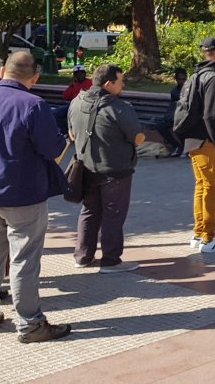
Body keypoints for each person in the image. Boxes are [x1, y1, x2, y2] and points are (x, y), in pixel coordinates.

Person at [0, 52, 70, 342]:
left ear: (1, 70)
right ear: (34, 77)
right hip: (24, 194)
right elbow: (52, 148)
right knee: (24, 259)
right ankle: (31, 324)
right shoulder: (34, 105)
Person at [68, 64, 145, 273]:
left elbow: (72, 135)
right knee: (113, 214)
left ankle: (82, 256)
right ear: (109, 83)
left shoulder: (76, 102)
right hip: (115, 170)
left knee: (89, 211)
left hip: (86, 168)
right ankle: (111, 261)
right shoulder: (120, 108)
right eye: (121, 81)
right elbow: (137, 138)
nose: (123, 85)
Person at [176, 36, 215, 252]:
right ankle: (209, 239)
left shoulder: (197, 74)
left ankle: (199, 233)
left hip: (194, 140)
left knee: (202, 187)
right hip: (208, 140)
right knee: (211, 188)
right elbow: (211, 115)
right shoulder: (214, 77)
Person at [156, 68, 187, 157]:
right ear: (176, 79)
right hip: (176, 115)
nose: (182, 82)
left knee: (178, 124)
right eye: (180, 79)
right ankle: (176, 146)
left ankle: (184, 147)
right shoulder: (174, 92)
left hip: (187, 116)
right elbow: (174, 107)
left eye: (184, 79)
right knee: (160, 125)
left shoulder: (190, 90)